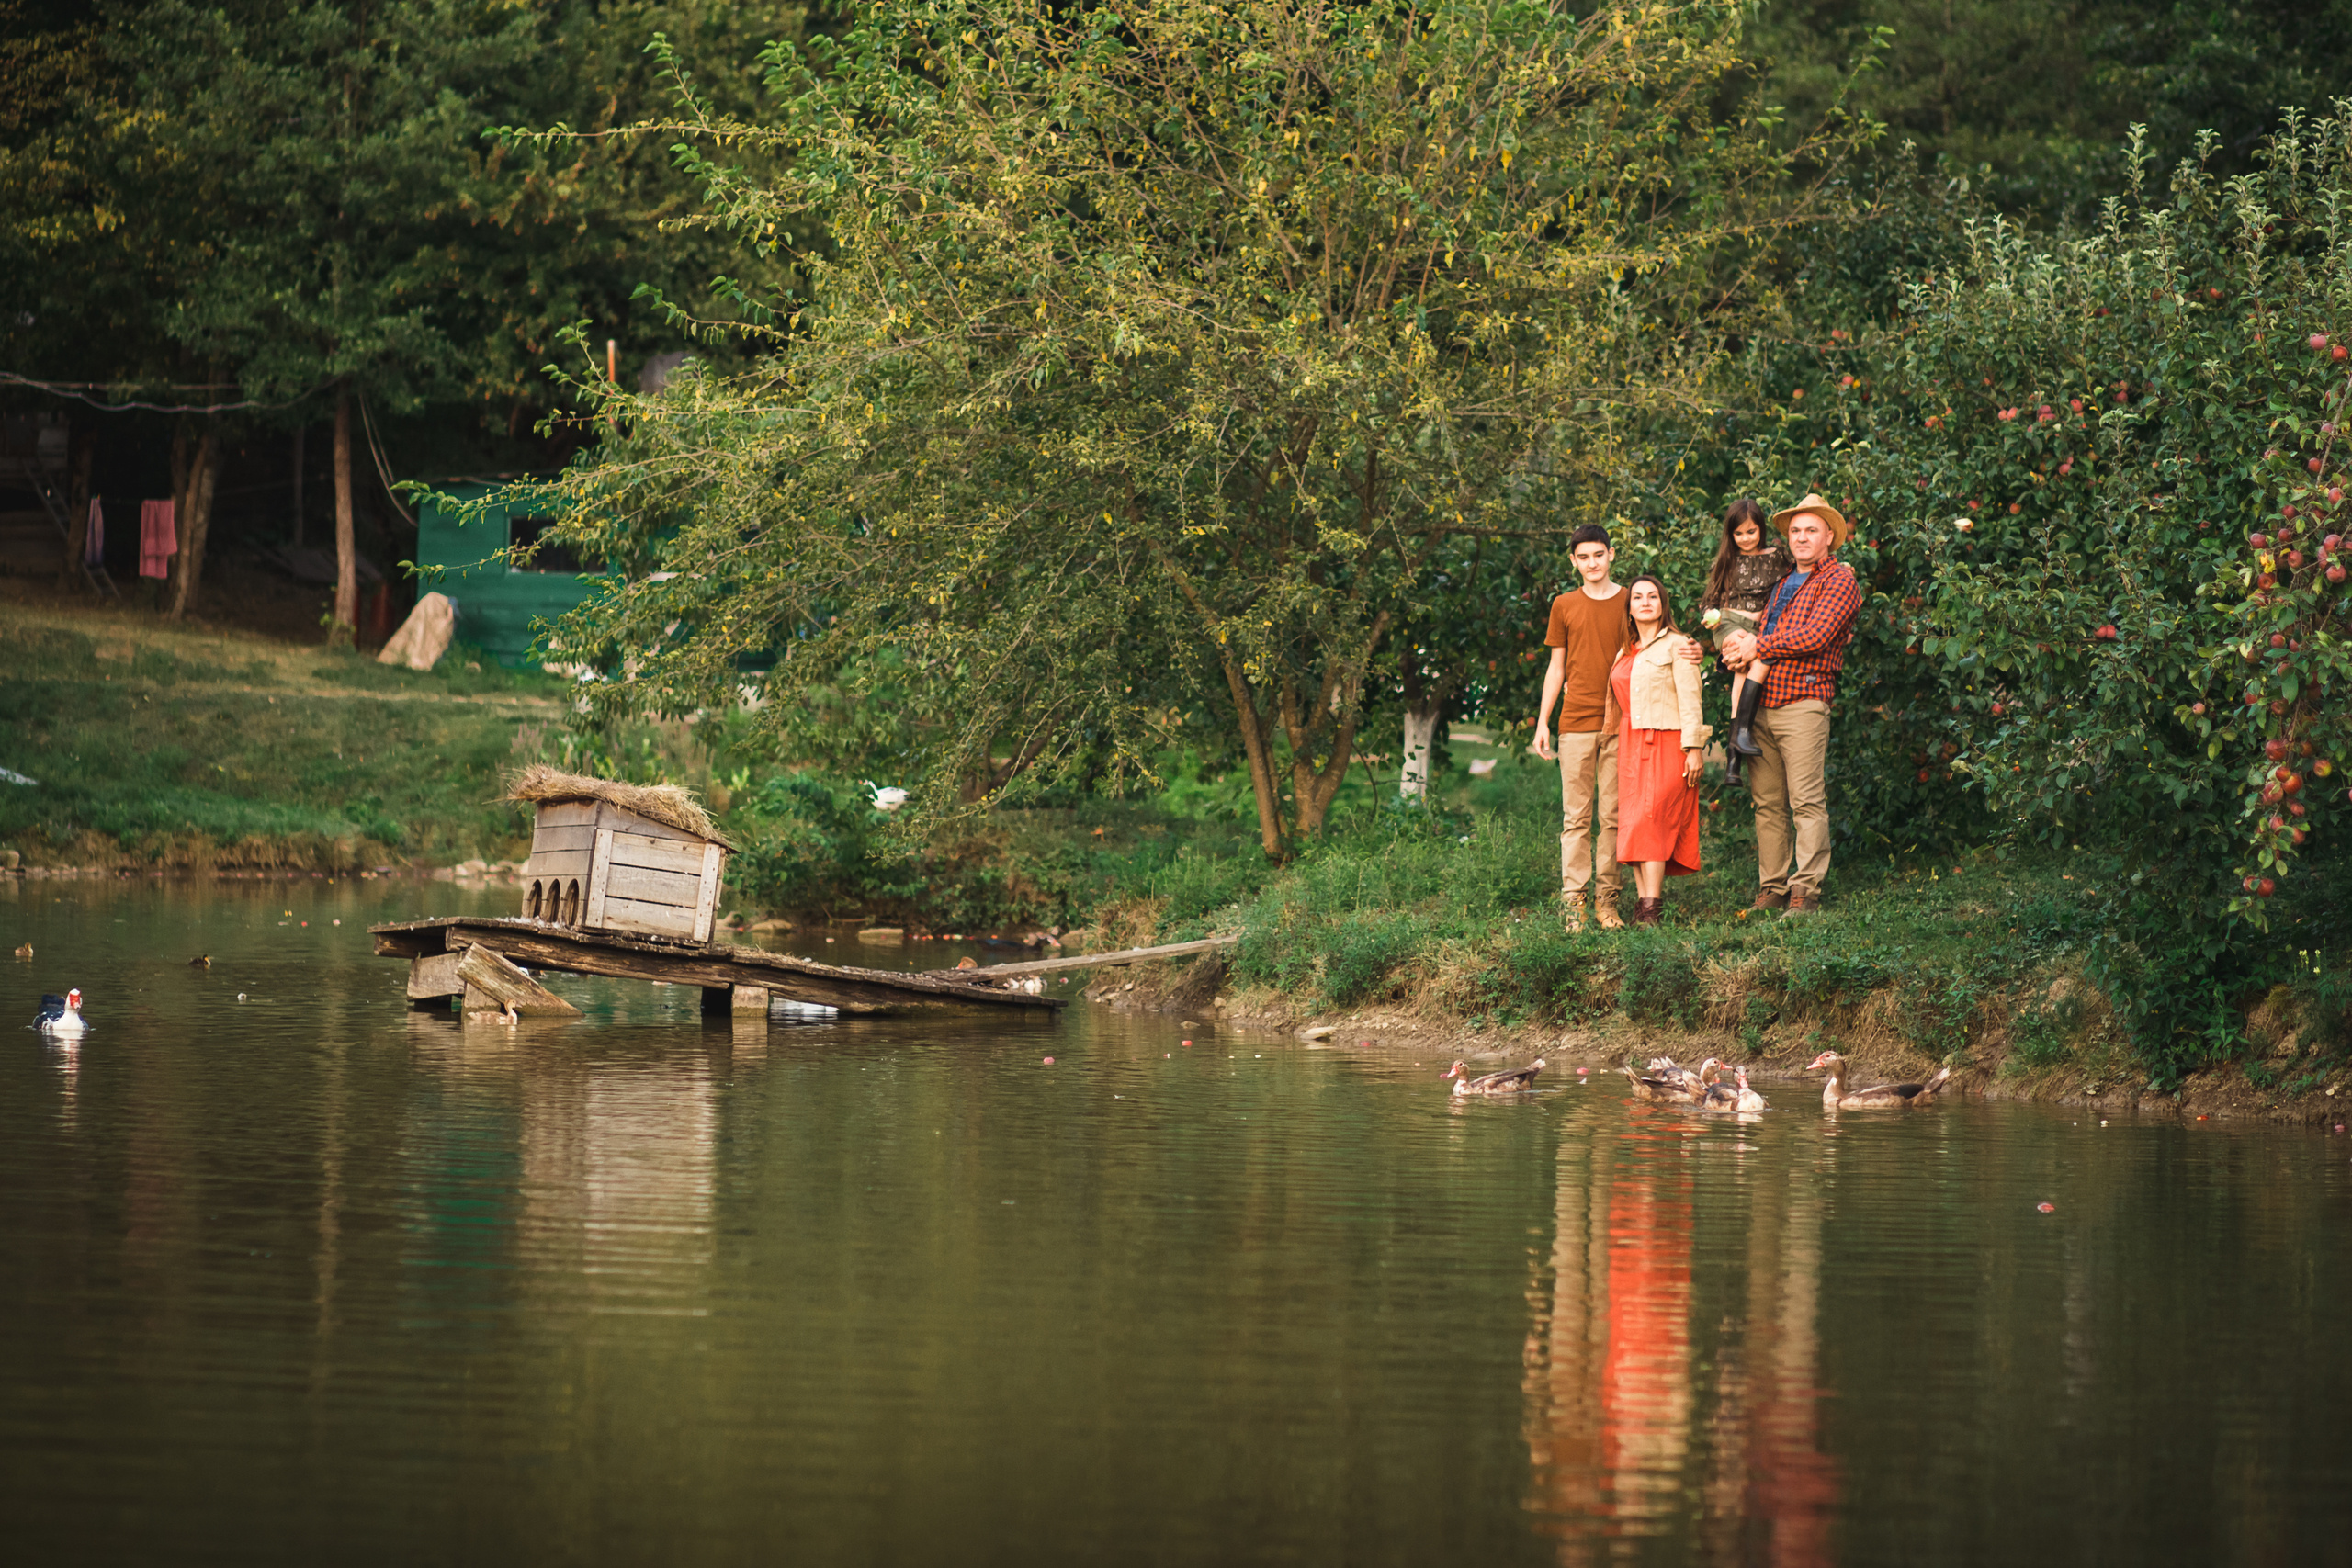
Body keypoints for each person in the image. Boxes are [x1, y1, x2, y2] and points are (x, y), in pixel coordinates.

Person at [1713, 493, 1861, 915]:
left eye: (1811, 530)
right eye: (1795, 530)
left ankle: (1805, 891)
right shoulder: (1780, 584)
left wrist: (1757, 644)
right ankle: (1773, 887)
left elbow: (1816, 636)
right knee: (1768, 803)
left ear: (1828, 537)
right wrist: (1736, 648)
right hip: (1759, 705)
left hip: (1803, 701)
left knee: (1806, 801)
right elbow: (1754, 636)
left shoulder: (1838, 580)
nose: (1801, 537)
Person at [1532, 524, 1628, 931]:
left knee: (1613, 815)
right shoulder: (1564, 604)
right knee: (1576, 817)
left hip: (1621, 720)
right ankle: (1574, 904)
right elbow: (1557, 667)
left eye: (1598, 555)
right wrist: (1543, 722)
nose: (1592, 563)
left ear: (1611, 555)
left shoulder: (1630, 599)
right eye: (1583, 557)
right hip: (1574, 722)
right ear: (1573, 561)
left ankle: (1607, 903)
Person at [1611, 574, 1708, 926]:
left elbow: (1691, 699)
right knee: (1635, 825)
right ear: (1630, 607)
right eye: (1638, 597)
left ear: (1663, 604)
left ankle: (1651, 911)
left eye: (1653, 596)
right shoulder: (1625, 649)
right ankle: (1644, 908)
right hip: (1630, 743)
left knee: (1652, 823)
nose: (1646, 602)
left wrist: (1694, 747)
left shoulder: (1678, 645)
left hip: (1667, 741)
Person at [1697, 498, 1793, 786]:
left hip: (1758, 628)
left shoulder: (1777, 556)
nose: (1745, 539)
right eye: (1738, 533)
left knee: (1743, 672)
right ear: (1730, 534)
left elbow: (1799, 578)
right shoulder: (1726, 560)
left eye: (1751, 532)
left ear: (1761, 529)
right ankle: (1739, 740)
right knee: (1742, 647)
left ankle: (1734, 758)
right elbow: (1709, 602)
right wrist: (1709, 619)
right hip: (1729, 623)